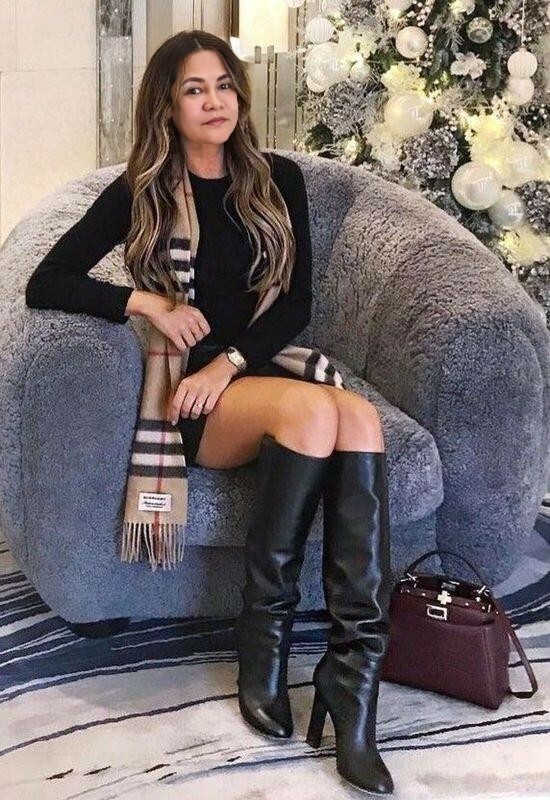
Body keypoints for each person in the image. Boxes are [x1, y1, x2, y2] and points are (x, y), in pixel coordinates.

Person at [25, 29, 394, 795]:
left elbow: (295, 303)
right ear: (168, 105)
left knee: (358, 419)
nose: (214, 101)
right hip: (188, 397)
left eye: (224, 85)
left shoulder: (277, 180)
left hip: (246, 372)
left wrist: (231, 363)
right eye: (195, 89)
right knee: (315, 413)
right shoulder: (144, 191)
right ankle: (262, 650)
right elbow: (47, 281)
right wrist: (146, 303)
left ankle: (351, 681)